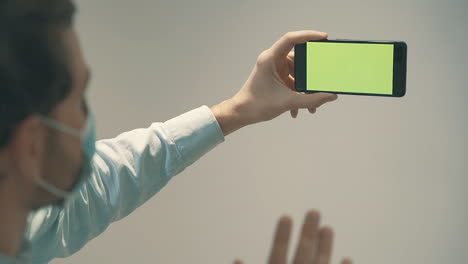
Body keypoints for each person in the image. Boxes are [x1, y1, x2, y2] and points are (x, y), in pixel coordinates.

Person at [0, 1, 351, 263]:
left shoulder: (27, 225)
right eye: (81, 100)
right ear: (32, 145)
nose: (87, 121)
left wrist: (237, 110)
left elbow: (108, 181)